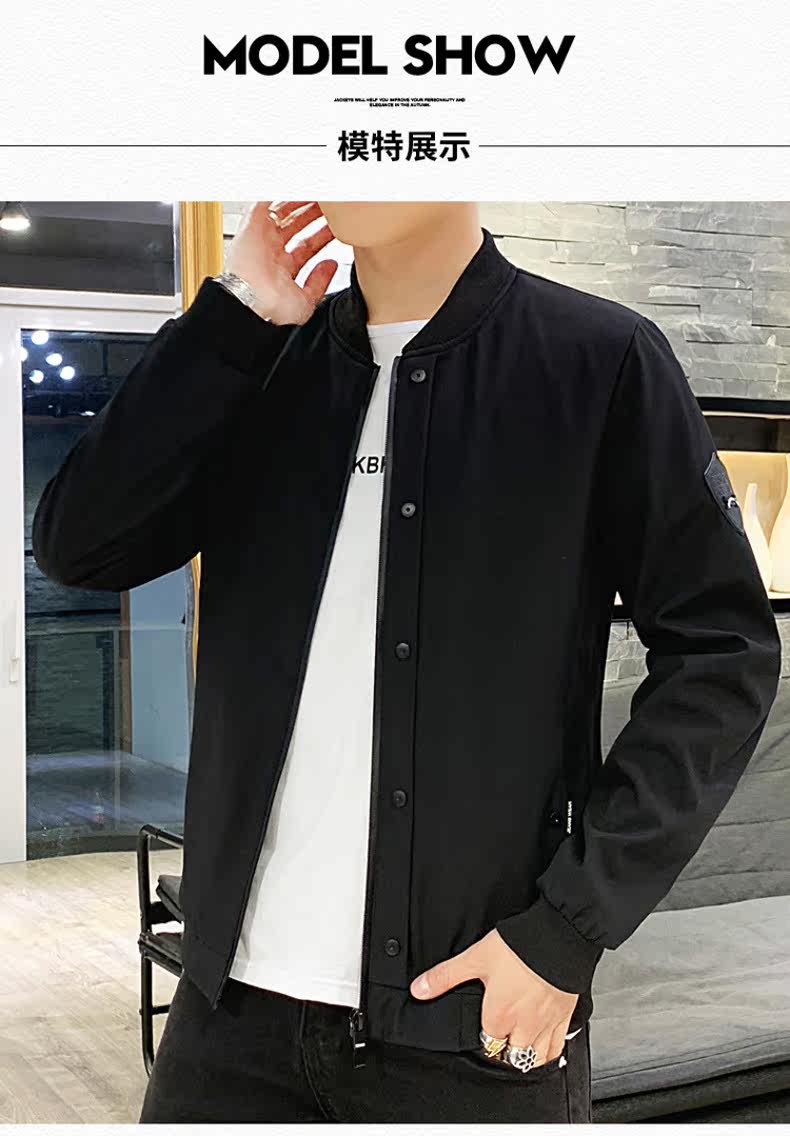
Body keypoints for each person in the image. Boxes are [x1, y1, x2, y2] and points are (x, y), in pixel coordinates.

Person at [32, 201, 781, 1123]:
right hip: (228, 1021)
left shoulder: (598, 359)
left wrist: (564, 931)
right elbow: (80, 546)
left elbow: (724, 652)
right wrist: (233, 317)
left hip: (466, 1027)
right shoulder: (263, 363)